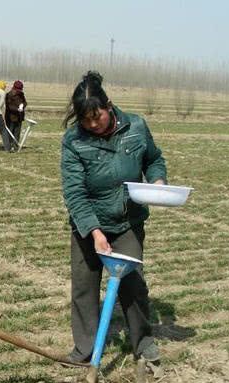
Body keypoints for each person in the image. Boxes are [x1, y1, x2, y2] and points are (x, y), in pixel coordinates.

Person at [60, 71, 166, 367]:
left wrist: (157, 181)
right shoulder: (73, 141)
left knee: (133, 285)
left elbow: (154, 159)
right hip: (88, 224)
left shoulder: (136, 127)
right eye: (85, 120)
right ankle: (84, 349)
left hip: (127, 221)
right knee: (84, 287)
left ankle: (143, 345)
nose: (93, 125)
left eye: (98, 117)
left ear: (109, 106)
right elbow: (74, 192)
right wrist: (94, 232)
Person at [5, 80, 27, 149]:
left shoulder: (21, 94)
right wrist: (17, 109)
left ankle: (15, 145)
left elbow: (25, 102)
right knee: (10, 131)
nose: (19, 91)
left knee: (17, 132)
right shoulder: (9, 95)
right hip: (11, 116)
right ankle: (9, 145)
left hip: (19, 117)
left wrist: (22, 105)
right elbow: (8, 106)